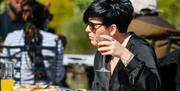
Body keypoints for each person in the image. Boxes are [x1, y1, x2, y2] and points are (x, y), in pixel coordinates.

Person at [83, 0, 161, 90]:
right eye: (87, 24)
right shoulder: (101, 52)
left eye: (92, 25)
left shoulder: (140, 48)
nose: (87, 29)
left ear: (112, 29)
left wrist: (125, 55)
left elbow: (154, 87)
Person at [2, 0, 65, 85]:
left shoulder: (10, 38)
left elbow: (6, 75)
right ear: (43, 18)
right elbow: (58, 76)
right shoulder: (55, 41)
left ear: (24, 17)